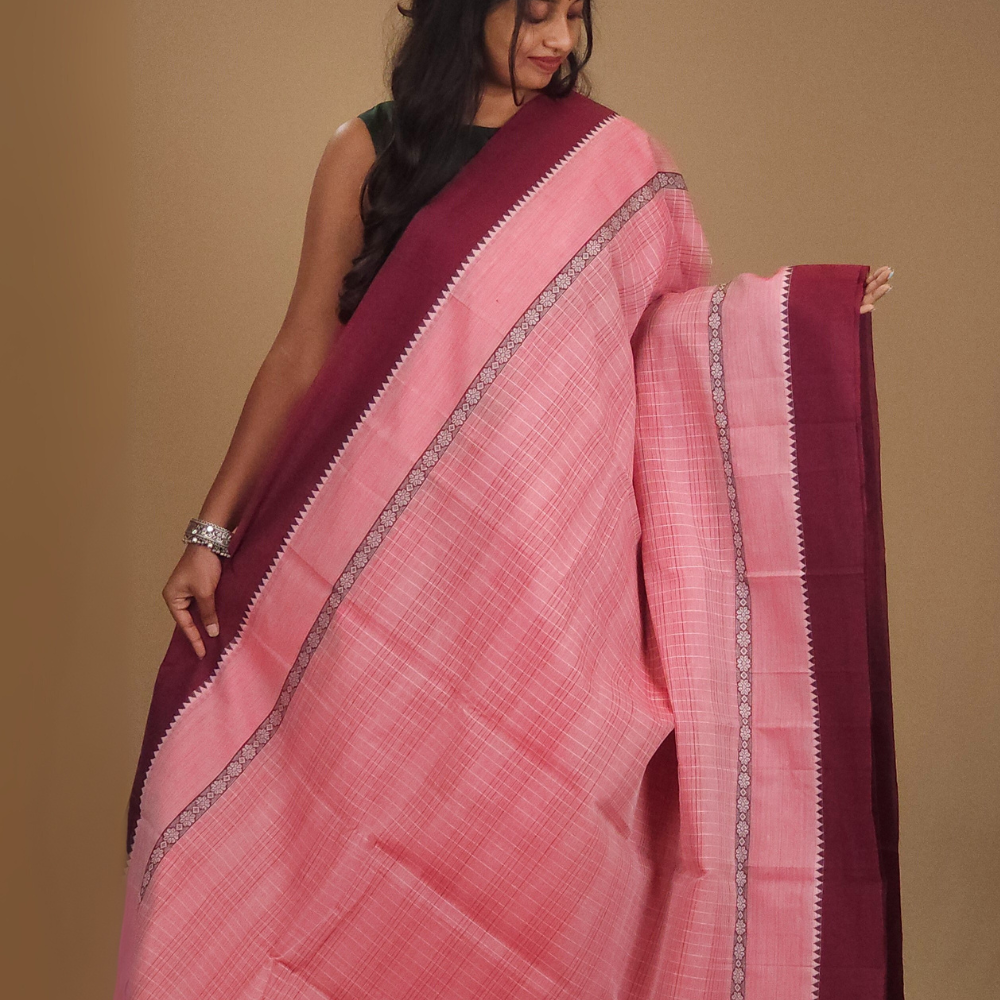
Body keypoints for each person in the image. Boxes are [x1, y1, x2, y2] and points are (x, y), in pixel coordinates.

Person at [115, 2, 902, 998]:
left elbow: (658, 342)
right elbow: (304, 343)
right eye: (533, 13)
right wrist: (213, 530)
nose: (559, 41)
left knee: (512, 860)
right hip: (368, 577)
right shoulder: (369, 150)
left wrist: (804, 317)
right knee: (286, 825)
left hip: (536, 587)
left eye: (574, 14)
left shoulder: (610, 164)